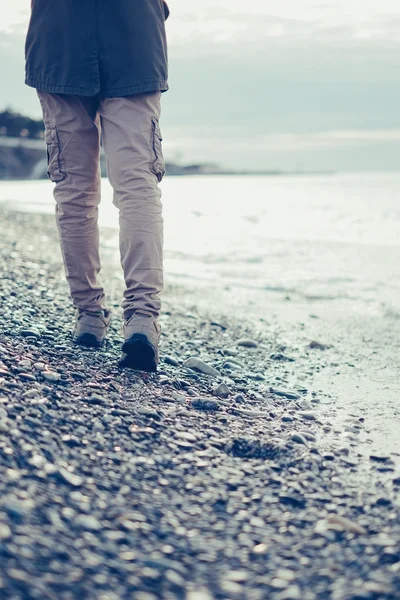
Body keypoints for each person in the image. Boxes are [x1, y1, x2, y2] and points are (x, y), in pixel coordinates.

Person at [24, 0, 170, 373]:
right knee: (137, 186)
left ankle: (89, 315)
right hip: (132, 36)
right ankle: (140, 318)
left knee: (74, 191)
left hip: (60, 38)